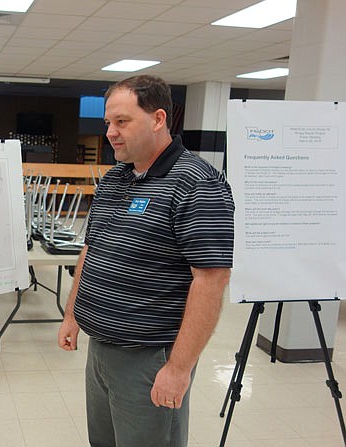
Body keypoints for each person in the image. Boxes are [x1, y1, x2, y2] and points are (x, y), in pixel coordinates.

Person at [58, 75, 234, 447]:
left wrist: (179, 368)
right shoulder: (114, 179)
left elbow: (211, 279)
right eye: (108, 123)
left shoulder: (196, 182)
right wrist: (73, 314)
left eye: (122, 122)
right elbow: (92, 250)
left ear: (157, 119)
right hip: (102, 349)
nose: (110, 132)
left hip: (150, 358)